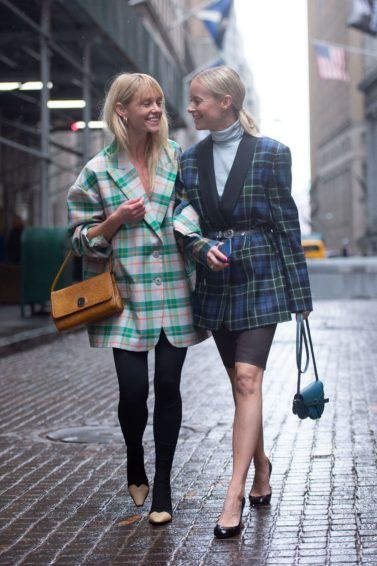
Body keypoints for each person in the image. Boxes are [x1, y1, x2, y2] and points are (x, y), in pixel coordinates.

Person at [174, 66, 313, 539]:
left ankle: (232, 494)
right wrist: (198, 247)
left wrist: (300, 295)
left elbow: (286, 224)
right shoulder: (189, 161)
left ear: (226, 102)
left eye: (198, 100)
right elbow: (181, 216)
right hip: (215, 279)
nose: (191, 107)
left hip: (262, 276)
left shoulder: (272, 154)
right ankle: (261, 467)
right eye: (191, 101)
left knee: (249, 379)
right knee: (239, 384)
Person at [67, 73, 205, 526]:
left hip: (173, 293)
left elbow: (191, 212)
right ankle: (133, 456)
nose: (155, 110)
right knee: (133, 394)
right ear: (121, 109)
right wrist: (113, 222)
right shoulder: (97, 171)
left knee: (168, 386)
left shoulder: (176, 159)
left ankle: (162, 484)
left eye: (159, 103)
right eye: (145, 103)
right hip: (125, 299)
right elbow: (79, 242)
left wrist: (190, 229)